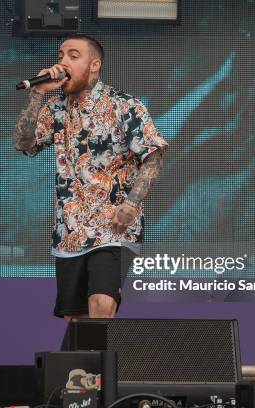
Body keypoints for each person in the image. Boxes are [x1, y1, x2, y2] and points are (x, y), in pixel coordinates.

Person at [12, 34, 168, 320]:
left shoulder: (124, 105)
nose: (63, 62)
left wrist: (132, 204)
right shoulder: (55, 109)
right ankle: (85, 366)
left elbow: (154, 153)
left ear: (94, 65)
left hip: (113, 228)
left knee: (102, 304)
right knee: (76, 321)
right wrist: (38, 93)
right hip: (69, 232)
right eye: (61, 55)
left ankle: (102, 365)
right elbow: (24, 144)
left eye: (73, 55)